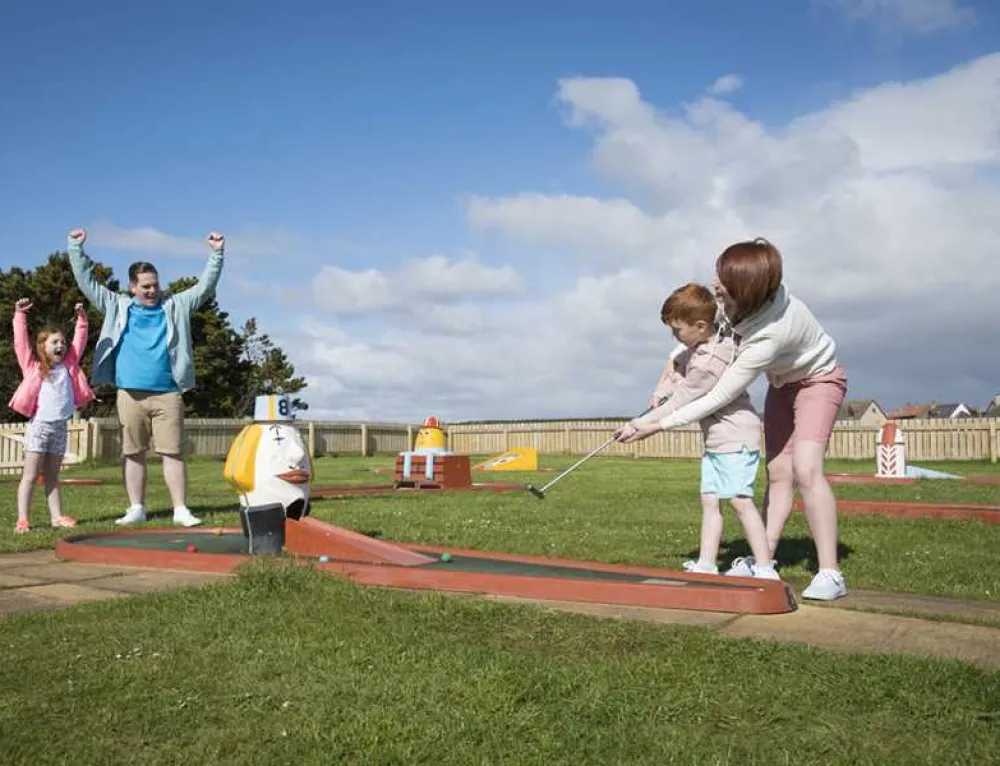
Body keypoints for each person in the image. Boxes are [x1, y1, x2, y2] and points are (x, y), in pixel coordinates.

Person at [616, 238, 848, 601]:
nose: (715, 283)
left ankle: (830, 572)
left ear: (747, 289)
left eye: (723, 279)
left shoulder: (770, 334)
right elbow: (700, 333)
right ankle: (764, 557)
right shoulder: (734, 304)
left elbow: (718, 395)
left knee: (806, 469)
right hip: (781, 384)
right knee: (778, 471)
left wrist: (656, 425)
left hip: (819, 379)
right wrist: (670, 362)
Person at [67, 227, 226, 527]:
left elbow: (204, 287)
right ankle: (136, 508)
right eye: (146, 287)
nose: (152, 291)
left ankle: (180, 510)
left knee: (174, 452)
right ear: (132, 287)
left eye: (155, 285)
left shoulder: (175, 305)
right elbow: (87, 282)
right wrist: (76, 249)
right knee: (133, 452)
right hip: (129, 393)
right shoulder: (117, 305)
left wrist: (216, 254)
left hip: (168, 393)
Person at [616, 283, 777, 579]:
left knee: (740, 501)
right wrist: (661, 388)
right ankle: (707, 563)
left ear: (701, 326)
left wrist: (644, 422)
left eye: (677, 330)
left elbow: (683, 399)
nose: (674, 337)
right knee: (710, 499)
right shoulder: (700, 346)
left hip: (737, 435)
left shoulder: (709, 361)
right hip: (717, 438)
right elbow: (677, 363)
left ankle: (765, 568)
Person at [8, 298, 95, 533]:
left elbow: (80, 341)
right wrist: (19, 315)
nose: (61, 346)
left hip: (60, 428)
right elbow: (20, 344)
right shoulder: (33, 367)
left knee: (53, 476)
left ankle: (56, 517)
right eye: (55, 342)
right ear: (42, 346)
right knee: (30, 475)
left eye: (63, 342)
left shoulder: (69, 366)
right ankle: (23, 519)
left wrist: (82, 319)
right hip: (39, 428)